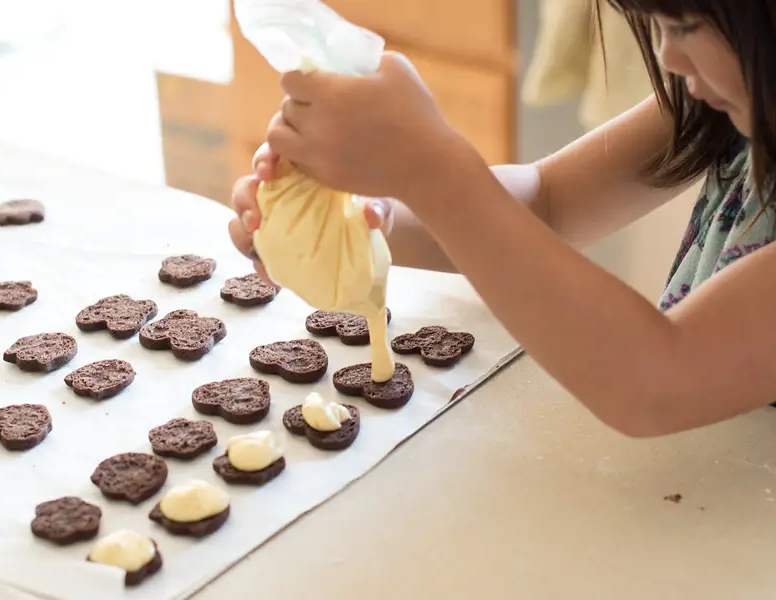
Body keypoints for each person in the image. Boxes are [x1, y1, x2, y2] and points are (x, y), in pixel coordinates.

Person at [229, 0, 776, 438]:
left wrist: (433, 168)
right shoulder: (729, 103)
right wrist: (361, 223)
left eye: (684, 24)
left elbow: (658, 382)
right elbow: (548, 203)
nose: (667, 58)